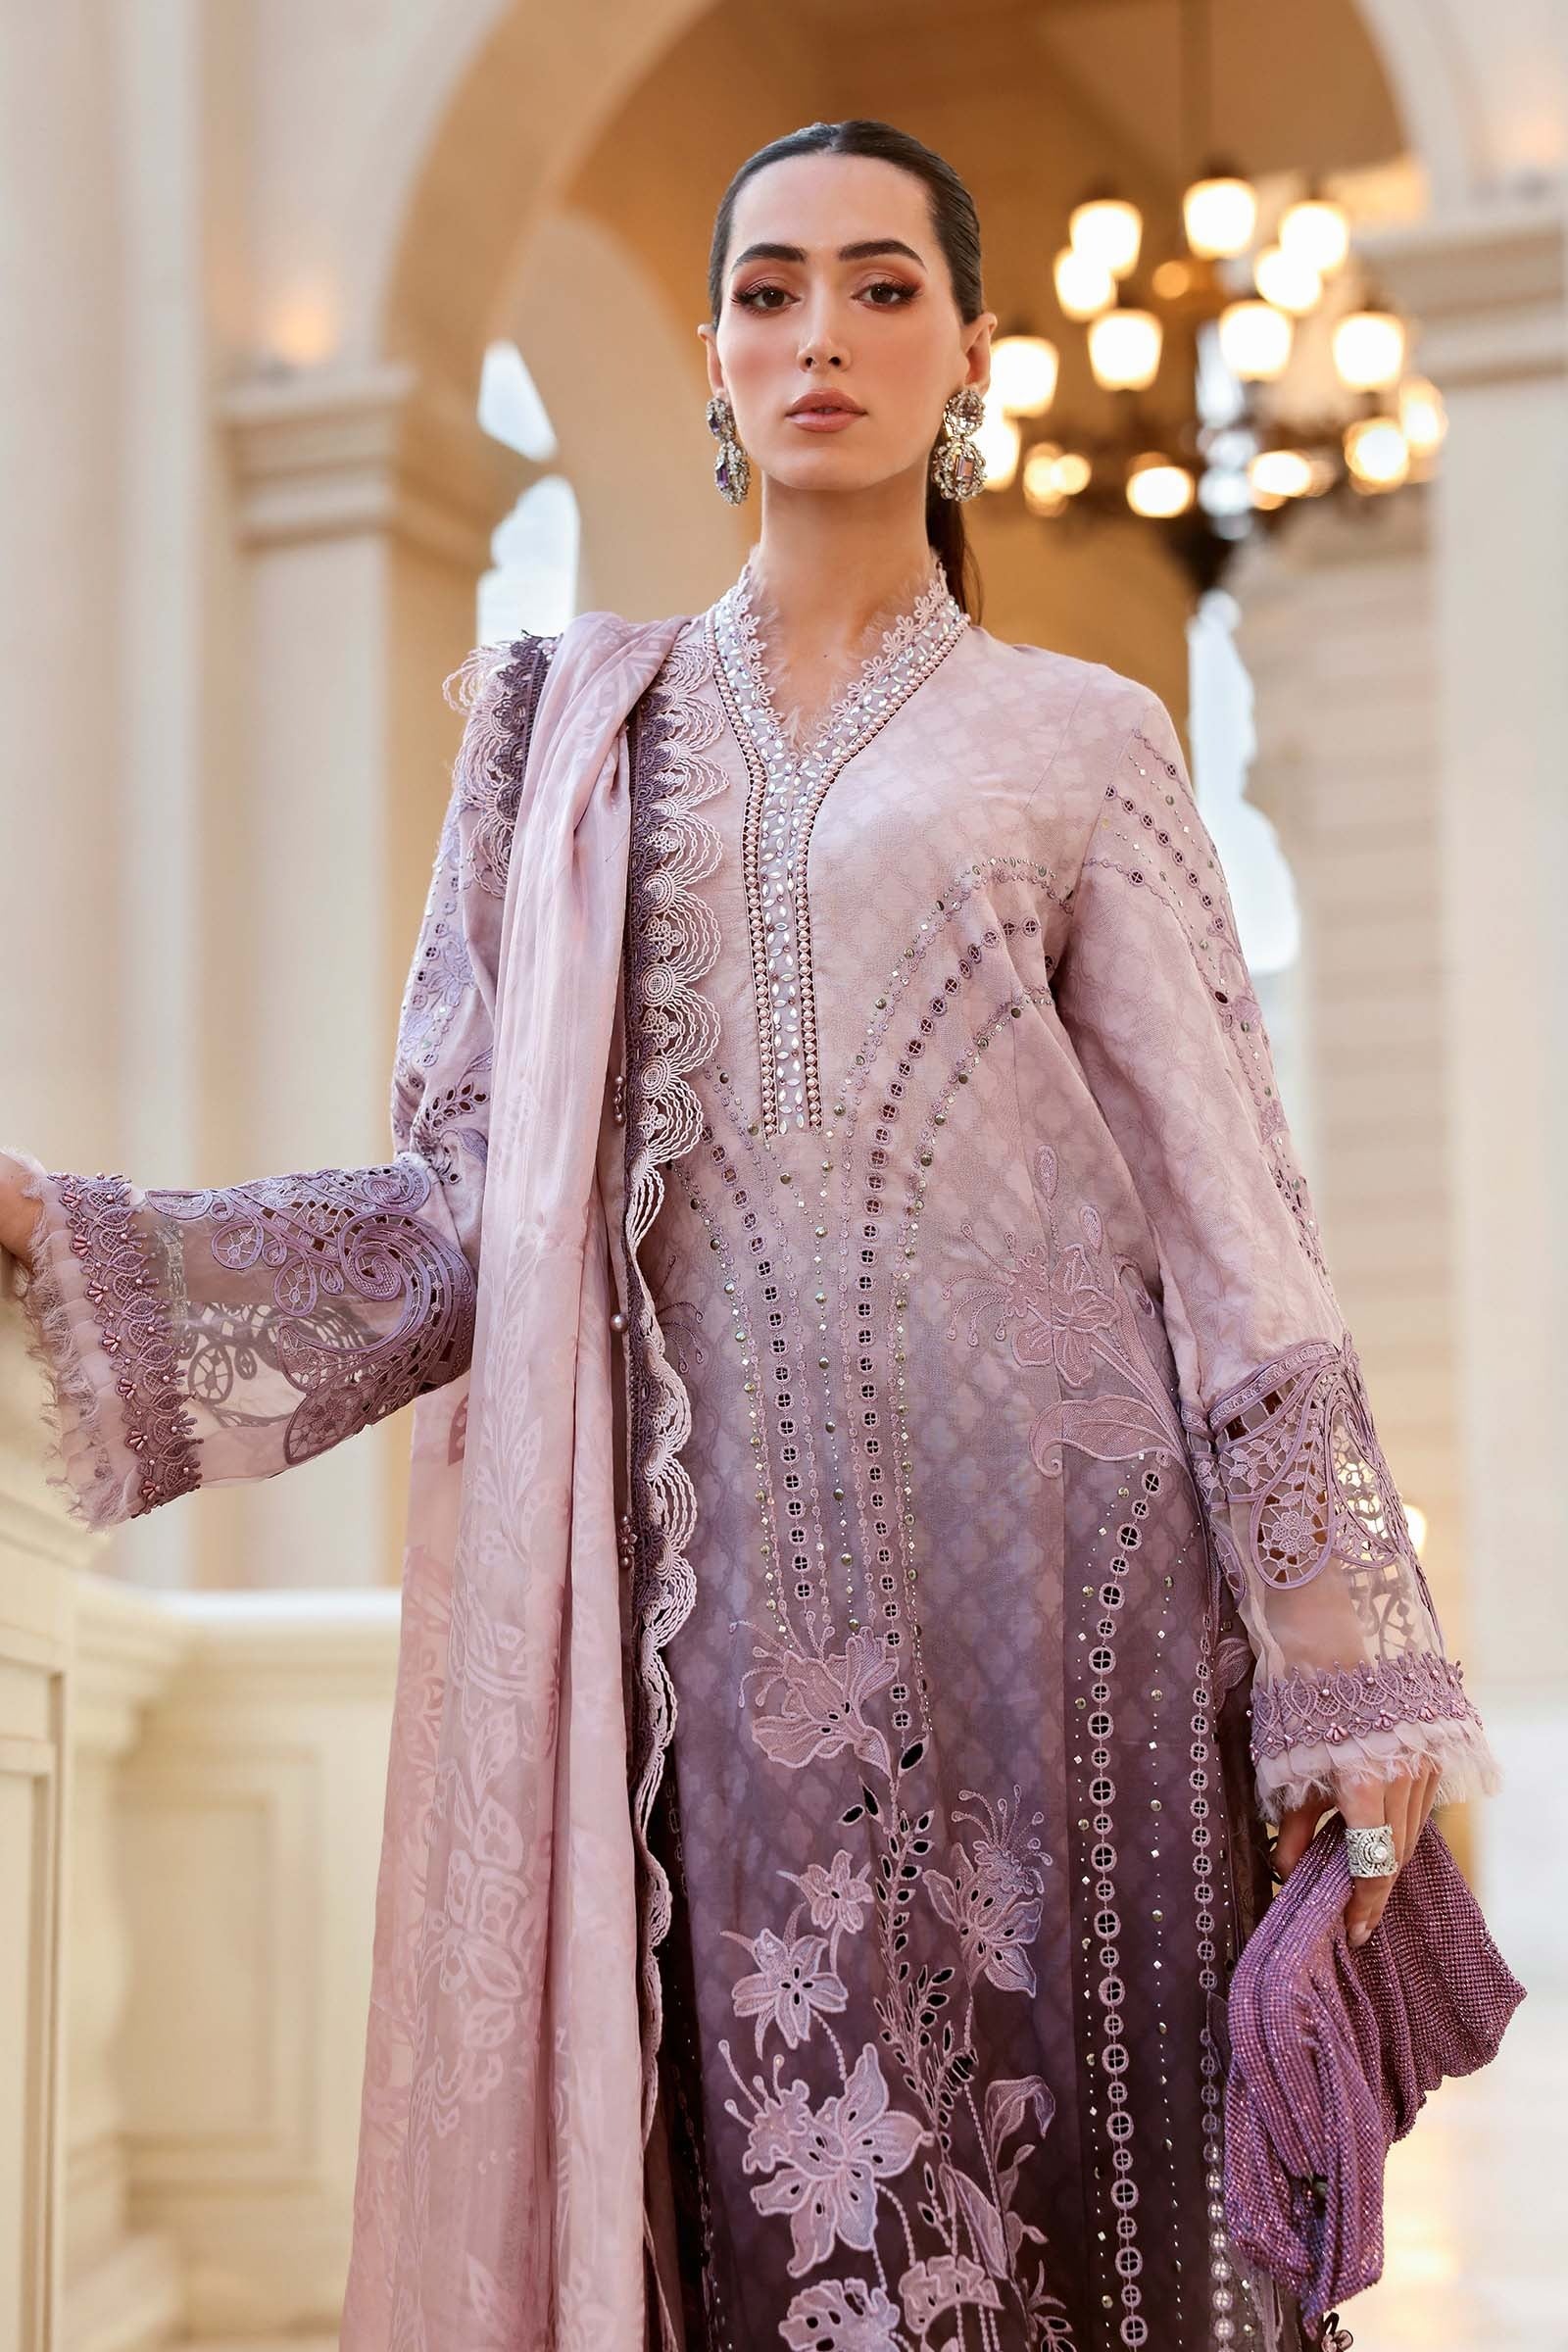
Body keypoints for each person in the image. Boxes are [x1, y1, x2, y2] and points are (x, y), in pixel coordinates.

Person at [0, 119, 1500, 2352]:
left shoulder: (1082, 741)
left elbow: (1231, 1232)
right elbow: (460, 1217)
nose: (822, 335)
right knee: (784, 2196)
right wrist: (84, 1245)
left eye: (884, 287)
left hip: (1076, 1611)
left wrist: (1345, 1668)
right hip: (726, 1642)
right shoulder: (569, 742)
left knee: (1092, 2203)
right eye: (771, 290)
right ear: (712, 355)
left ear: (969, 353)